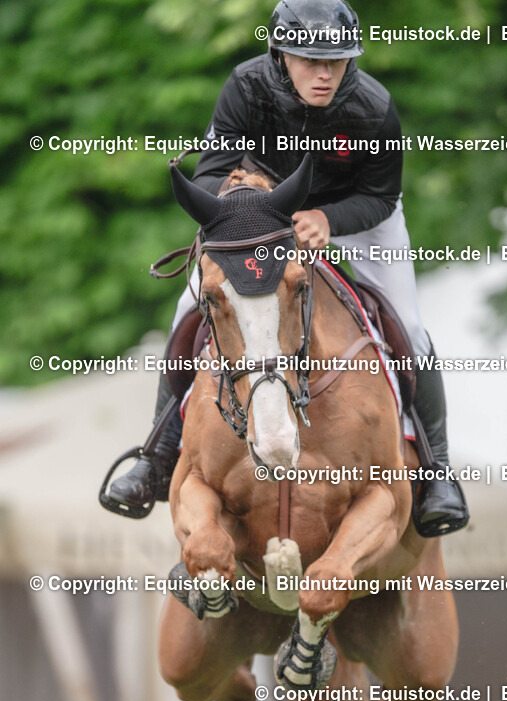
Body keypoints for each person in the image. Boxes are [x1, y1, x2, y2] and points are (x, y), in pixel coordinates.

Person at [106, 0, 469, 535]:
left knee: (409, 327)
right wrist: (246, 202)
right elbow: (208, 174)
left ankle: (436, 471)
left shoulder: (374, 107)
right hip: (258, 215)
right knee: (189, 308)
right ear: (280, 54)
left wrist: (329, 217)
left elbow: (380, 195)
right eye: (308, 60)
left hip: (356, 216)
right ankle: (158, 456)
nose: (323, 75)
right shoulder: (245, 86)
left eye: (336, 62)